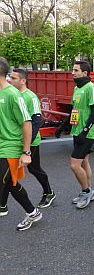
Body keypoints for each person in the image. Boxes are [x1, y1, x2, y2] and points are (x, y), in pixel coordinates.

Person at [1, 69, 56, 212]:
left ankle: (48, 193)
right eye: (9, 77)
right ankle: (2, 204)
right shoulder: (10, 93)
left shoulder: (30, 97)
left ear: (23, 81)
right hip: (15, 141)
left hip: (30, 141)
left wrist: (27, 146)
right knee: (8, 175)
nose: (10, 80)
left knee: (34, 168)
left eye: (13, 78)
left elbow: (36, 121)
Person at [0, 57, 42, 230]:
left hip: (10, 147)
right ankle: (33, 213)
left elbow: (27, 122)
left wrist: (26, 152)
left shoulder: (13, 94)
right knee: (11, 183)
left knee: (3, 181)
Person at [55, 60, 94, 209]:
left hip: (86, 133)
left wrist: (85, 130)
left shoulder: (91, 88)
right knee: (84, 162)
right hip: (76, 131)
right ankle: (89, 191)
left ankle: (86, 191)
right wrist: (62, 126)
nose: (72, 72)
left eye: (75, 70)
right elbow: (74, 110)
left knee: (74, 165)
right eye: (73, 70)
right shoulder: (77, 88)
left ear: (84, 73)